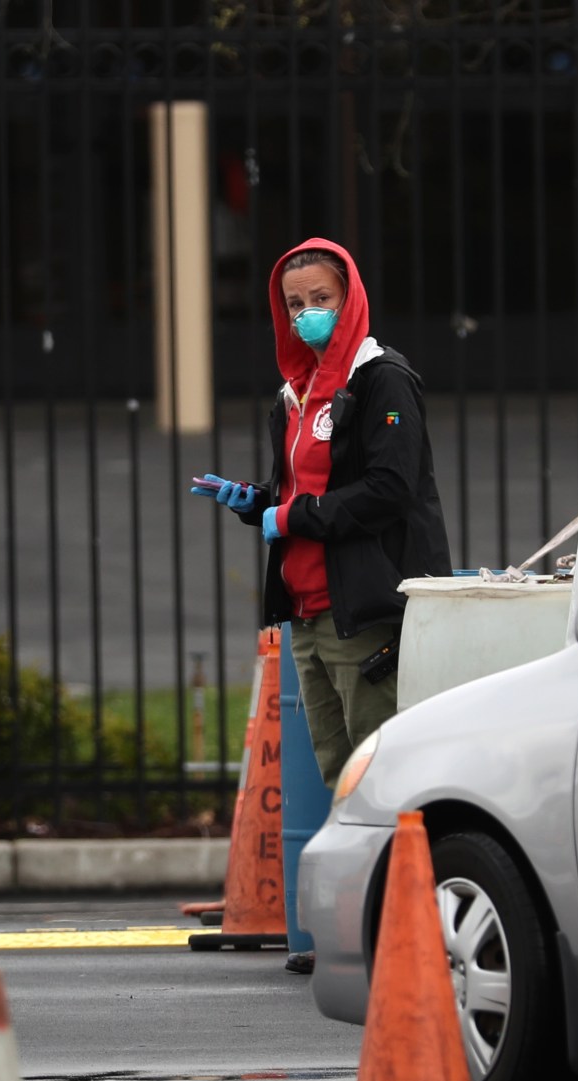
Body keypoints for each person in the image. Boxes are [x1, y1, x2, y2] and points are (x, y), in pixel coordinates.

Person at [190, 240, 449, 788]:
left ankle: (400, 876)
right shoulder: (296, 393)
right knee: (341, 782)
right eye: (294, 304)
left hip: (361, 615)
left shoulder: (382, 380)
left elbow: (389, 489)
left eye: (321, 298)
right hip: (308, 617)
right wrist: (259, 500)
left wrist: (289, 518)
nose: (307, 314)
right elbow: (310, 487)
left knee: (384, 780)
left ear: (350, 298)